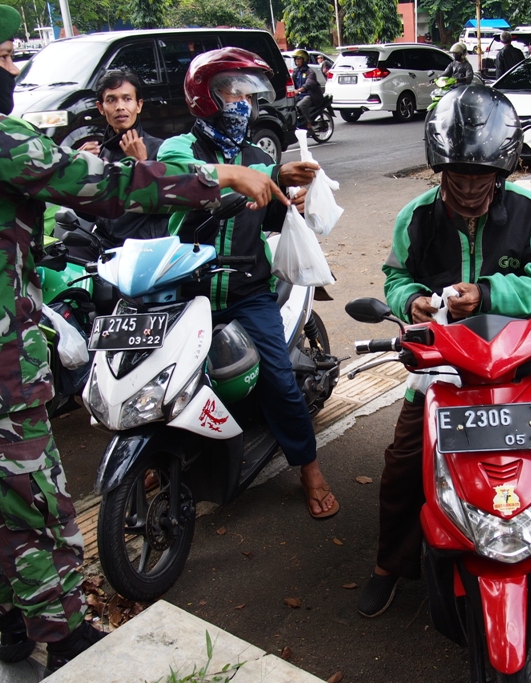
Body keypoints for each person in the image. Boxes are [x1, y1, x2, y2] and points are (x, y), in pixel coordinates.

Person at [0, 0, 284, 675]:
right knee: (32, 511)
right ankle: (63, 639)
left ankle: (7, 627)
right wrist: (218, 177)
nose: (13, 70)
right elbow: (103, 183)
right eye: (6, 58)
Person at [357, 86, 531, 618]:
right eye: (457, 178)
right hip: (439, 367)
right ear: (439, 170)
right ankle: (388, 567)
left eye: (481, 178)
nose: (469, 189)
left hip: (516, 362)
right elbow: (396, 275)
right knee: (404, 465)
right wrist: (412, 301)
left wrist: (489, 294)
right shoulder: (415, 217)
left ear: (503, 170)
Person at [157, 47, 339, 519]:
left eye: (248, 93)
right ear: (204, 97)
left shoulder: (260, 153)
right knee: (162, 380)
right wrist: (266, 175)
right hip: (186, 290)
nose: (242, 102)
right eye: (230, 91)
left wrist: (293, 198)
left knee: (279, 380)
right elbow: (185, 179)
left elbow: (273, 211)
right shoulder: (178, 149)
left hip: (247, 291)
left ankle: (309, 467)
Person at [79, 69, 169, 245]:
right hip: (106, 251)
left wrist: (143, 165)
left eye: (127, 99)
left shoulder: (160, 149)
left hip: (146, 249)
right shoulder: (101, 152)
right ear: (101, 108)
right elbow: (89, 215)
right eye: (111, 100)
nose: (120, 107)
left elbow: (169, 206)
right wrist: (81, 172)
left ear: (139, 105)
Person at [292, 49, 324, 129]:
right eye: (296, 59)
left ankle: (308, 123)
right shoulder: (296, 72)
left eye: (299, 59)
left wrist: (299, 90)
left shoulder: (310, 72)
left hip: (310, 95)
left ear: (304, 60)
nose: (297, 61)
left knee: (300, 105)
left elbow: (309, 84)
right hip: (300, 95)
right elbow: (291, 83)